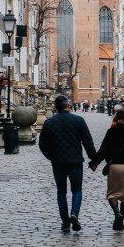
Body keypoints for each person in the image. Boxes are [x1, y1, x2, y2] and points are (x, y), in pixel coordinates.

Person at [38, 94, 97, 232]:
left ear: (55, 107)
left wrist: (51, 156)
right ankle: (74, 214)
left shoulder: (49, 122)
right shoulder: (78, 120)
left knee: (61, 192)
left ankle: (65, 223)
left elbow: (42, 145)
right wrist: (93, 160)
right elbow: (88, 141)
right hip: (75, 161)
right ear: (68, 106)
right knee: (77, 190)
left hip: (58, 162)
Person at [89, 107, 124, 231]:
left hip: (114, 167)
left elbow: (103, 150)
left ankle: (116, 213)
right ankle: (121, 221)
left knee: (112, 194)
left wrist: (94, 163)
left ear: (117, 118)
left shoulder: (111, 132)